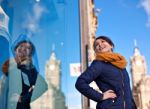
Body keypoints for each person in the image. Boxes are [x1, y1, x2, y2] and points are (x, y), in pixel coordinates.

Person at [75, 36, 136, 109]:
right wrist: (100, 96)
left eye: (103, 41)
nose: (100, 45)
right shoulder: (98, 64)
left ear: (111, 45)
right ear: (96, 51)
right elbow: (80, 83)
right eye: (96, 45)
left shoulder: (121, 65)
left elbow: (127, 90)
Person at [5, 34, 48, 109]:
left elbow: (43, 86)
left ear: (30, 54)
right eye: (21, 46)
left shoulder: (31, 70)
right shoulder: (10, 66)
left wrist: (22, 98)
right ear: (16, 50)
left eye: (27, 48)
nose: (23, 49)